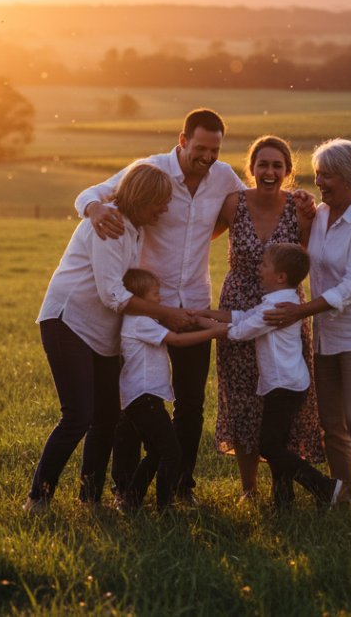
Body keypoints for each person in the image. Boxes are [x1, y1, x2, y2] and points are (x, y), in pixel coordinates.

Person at [75, 108, 244, 503]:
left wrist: (300, 201)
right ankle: (124, 490)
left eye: (215, 150)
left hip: (195, 303)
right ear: (182, 140)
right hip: (146, 306)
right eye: (200, 148)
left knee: (190, 404)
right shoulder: (150, 170)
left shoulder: (223, 176)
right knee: (135, 403)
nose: (207, 157)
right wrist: (95, 209)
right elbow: (91, 193)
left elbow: (252, 205)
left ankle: (180, 487)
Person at [25, 163, 186, 514]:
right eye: (159, 203)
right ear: (141, 197)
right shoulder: (111, 225)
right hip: (68, 322)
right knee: (78, 416)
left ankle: (90, 499)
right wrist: (167, 314)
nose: (163, 210)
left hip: (99, 333)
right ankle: (38, 498)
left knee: (107, 418)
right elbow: (112, 294)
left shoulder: (134, 227)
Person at [264, 139, 351, 507]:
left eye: (328, 176)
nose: (320, 182)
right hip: (327, 335)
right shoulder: (321, 214)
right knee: (332, 426)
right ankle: (345, 498)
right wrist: (305, 213)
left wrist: (297, 312)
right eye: (318, 174)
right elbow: (308, 257)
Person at [212, 135, 324, 501]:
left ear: (289, 172)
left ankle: (283, 490)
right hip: (238, 306)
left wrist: (312, 209)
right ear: (251, 168)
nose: (270, 172)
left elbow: (305, 256)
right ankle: (249, 490)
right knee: (243, 398)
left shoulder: (299, 208)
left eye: (278, 166)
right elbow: (197, 235)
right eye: (263, 164)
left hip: (282, 311)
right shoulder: (233, 203)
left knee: (281, 399)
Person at [201, 243, 341, 510]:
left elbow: (240, 331)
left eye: (264, 265)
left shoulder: (275, 308)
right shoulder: (277, 302)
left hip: (284, 385)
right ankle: (283, 501)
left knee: (269, 445)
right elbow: (243, 316)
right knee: (279, 443)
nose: (259, 268)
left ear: (281, 277)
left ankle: (323, 486)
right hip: (286, 383)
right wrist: (209, 314)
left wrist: (205, 326)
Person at [115, 268, 229, 512]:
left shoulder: (141, 321)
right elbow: (176, 340)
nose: (159, 299)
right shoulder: (139, 322)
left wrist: (194, 318)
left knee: (157, 451)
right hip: (143, 398)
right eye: (155, 294)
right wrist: (214, 332)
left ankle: (131, 500)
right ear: (140, 298)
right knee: (172, 452)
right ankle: (165, 506)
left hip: (143, 398)